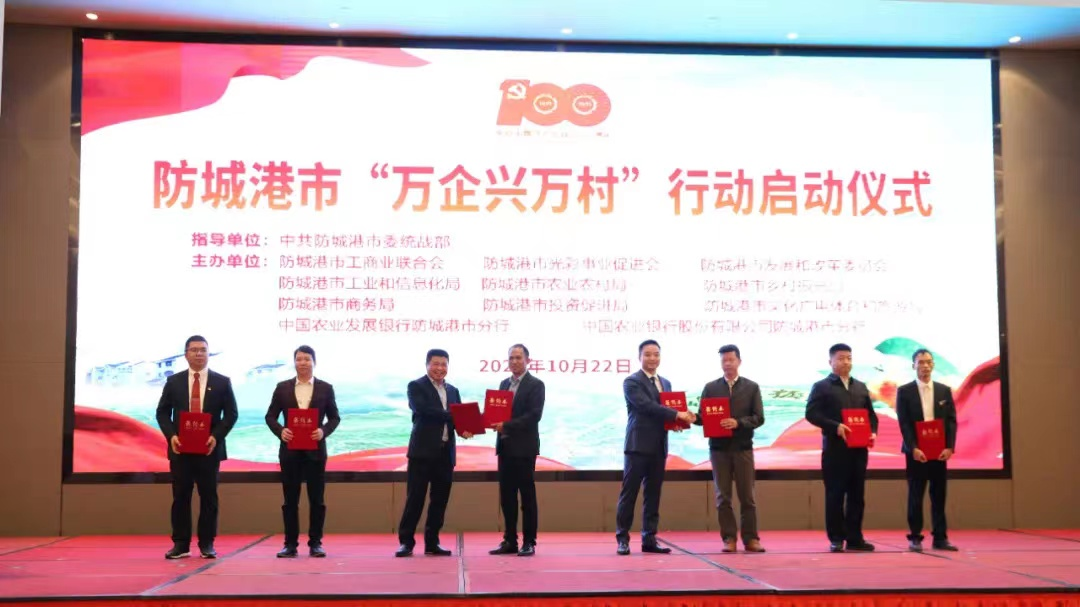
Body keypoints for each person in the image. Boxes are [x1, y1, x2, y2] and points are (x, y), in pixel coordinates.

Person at [155, 335, 239, 560]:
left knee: (208, 497)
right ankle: (181, 544)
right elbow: (162, 412)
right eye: (194, 350)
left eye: (203, 350)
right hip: (180, 449)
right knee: (180, 496)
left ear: (208, 354)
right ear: (186, 354)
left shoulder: (222, 382)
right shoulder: (174, 382)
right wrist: (171, 436)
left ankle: (207, 543)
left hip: (209, 450)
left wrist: (216, 437)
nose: (199, 354)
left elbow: (231, 414)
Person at [615, 339, 696, 555]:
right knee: (629, 494)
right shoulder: (631, 381)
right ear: (639, 357)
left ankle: (649, 539)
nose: (652, 358)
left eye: (656, 354)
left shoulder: (666, 383)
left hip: (659, 446)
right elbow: (646, 406)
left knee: (653, 495)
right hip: (637, 446)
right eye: (648, 354)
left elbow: (664, 412)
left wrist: (675, 424)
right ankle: (622, 539)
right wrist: (677, 415)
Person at [265, 345, 341, 558]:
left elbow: (335, 418)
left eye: (307, 359)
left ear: (314, 362)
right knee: (290, 500)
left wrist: (323, 431)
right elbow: (270, 416)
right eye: (299, 359)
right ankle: (290, 544)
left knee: (317, 499)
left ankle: (316, 543)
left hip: (315, 451)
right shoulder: (282, 388)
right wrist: (281, 431)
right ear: (294, 362)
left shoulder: (326, 388)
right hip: (290, 451)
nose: (303, 363)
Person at [805, 343, 878, 553]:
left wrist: (872, 431)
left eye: (849, 358)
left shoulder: (861, 387)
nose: (845, 362)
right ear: (831, 361)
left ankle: (855, 538)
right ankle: (836, 538)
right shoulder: (821, 386)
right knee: (835, 494)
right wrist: (835, 426)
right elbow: (811, 414)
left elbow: (870, 415)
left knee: (857, 495)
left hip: (859, 450)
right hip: (835, 450)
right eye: (840, 358)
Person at [695, 344, 766, 553]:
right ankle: (729, 538)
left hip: (743, 448)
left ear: (739, 362)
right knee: (722, 497)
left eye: (731, 360)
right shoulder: (711, 388)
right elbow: (703, 417)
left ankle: (751, 539)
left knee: (747, 497)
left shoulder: (751, 387)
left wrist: (738, 423)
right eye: (724, 360)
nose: (727, 364)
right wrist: (689, 418)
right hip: (718, 449)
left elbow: (759, 418)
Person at [395, 349, 466, 557]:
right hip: (422, 453)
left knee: (439, 500)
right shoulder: (416, 386)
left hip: (445, 453)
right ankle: (406, 542)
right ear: (427, 365)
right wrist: (454, 417)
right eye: (435, 364)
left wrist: (466, 428)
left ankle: (432, 542)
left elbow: (459, 418)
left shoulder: (453, 390)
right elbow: (424, 410)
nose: (439, 368)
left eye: (444, 364)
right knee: (415, 498)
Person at [896, 348, 959, 552]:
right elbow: (904, 423)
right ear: (913, 365)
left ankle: (940, 537)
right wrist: (913, 447)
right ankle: (915, 537)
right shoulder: (905, 391)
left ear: (933, 365)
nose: (925, 366)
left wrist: (949, 446)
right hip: (916, 452)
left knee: (939, 495)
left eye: (929, 362)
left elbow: (951, 421)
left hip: (939, 451)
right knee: (916, 494)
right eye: (921, 362)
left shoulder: (943, 390)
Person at [489, 344, 546, 557]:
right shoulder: (504, 384)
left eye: (518, 358)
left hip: (524, 449)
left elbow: (534, 416)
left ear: (527, 360)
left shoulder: (536, 385)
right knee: (507, 497)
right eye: (511, 358)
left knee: (527, 497)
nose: (514, 362)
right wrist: (489, 421)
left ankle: (529, 541)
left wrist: (506, 425)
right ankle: (510, 540)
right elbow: (497, 414)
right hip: (505, 448)